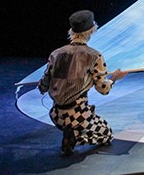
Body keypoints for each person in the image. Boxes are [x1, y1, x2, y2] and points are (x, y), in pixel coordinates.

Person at [38, 10, 127, 156]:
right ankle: (76, 138)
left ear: (71, 31)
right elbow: (103, 89)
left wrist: (45, 86)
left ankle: (72, 133)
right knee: (107, 134)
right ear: (92, 31)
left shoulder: (56, 53)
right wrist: (114, 78)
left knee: (79, 119)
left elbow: (44, 84)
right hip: (78, 115)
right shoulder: (93, 55)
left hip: (56, 115)